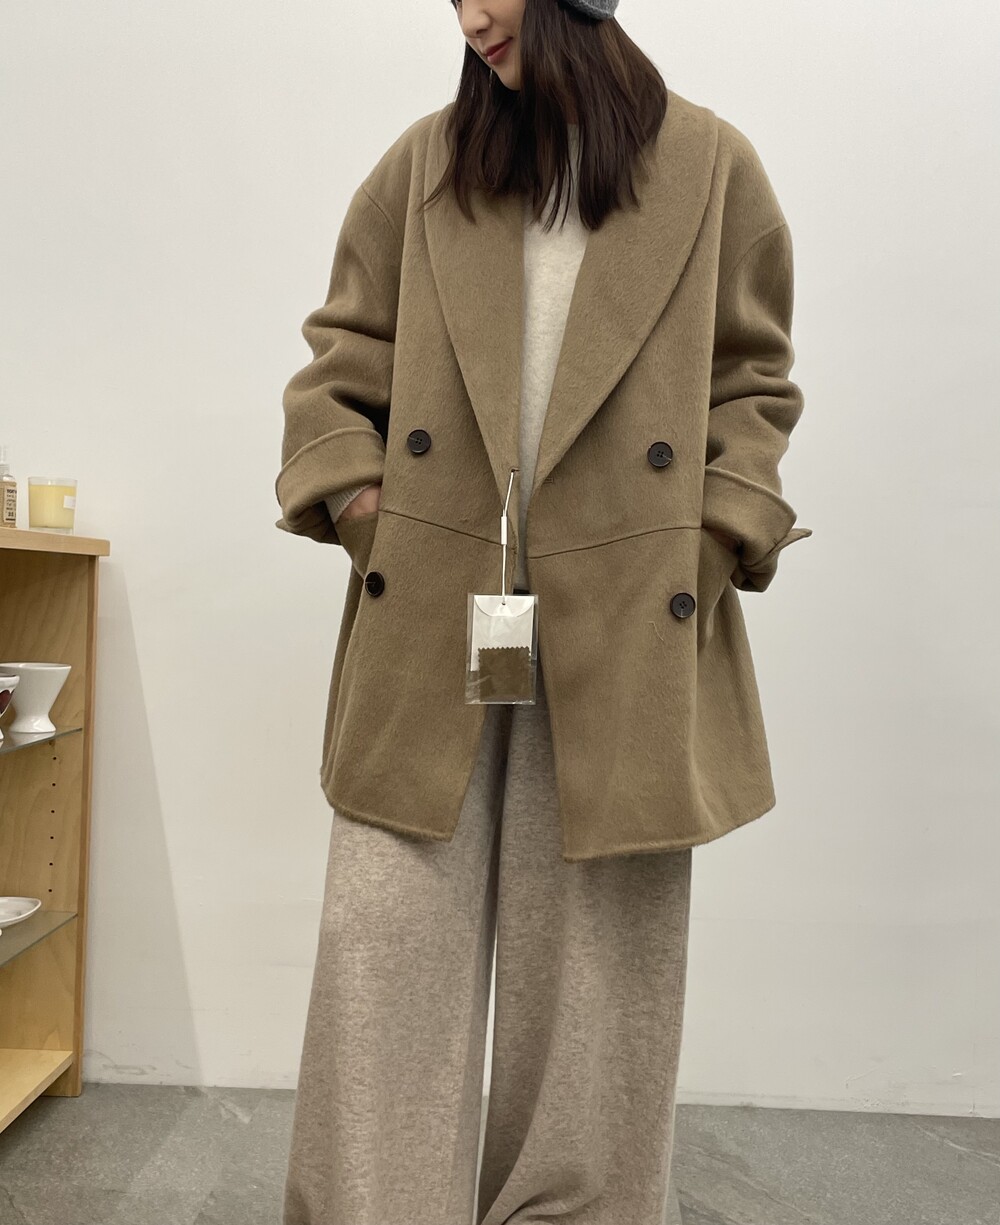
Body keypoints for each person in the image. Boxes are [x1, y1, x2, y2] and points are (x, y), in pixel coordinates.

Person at [275, 0, 812, 1221]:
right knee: (383, 946)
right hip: (434, 607)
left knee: (594, 987)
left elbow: (753, 381)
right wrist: (362, 505)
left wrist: (714, 533)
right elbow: (337, 361)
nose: (471, 15)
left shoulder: (711, 168)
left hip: (626, 617)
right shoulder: (426, 165)